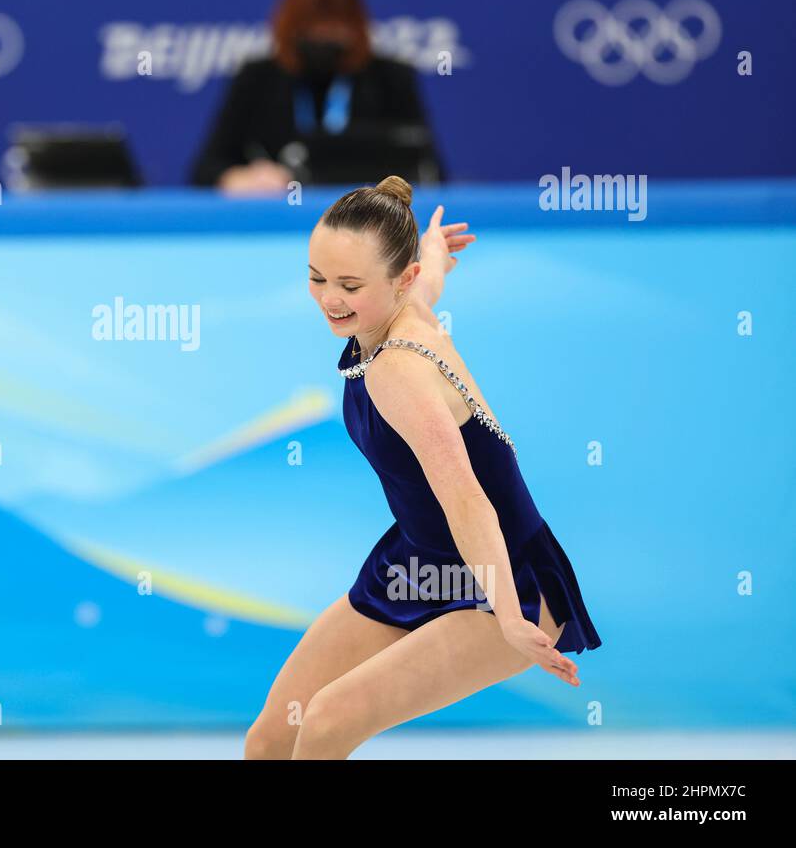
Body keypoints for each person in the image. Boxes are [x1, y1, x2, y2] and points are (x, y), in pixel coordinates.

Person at [246, 175, 602, 759]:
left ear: (398, 280)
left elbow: (466, 497)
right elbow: (428, 285)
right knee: (271, 739)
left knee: (328, 720)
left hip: (501, 578)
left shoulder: (400, 368)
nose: (330, 297)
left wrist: (511, 619)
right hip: (417, 562)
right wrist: (433, 251)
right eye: (317, 278)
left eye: (350, 284)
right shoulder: (398, 308)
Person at [188, 0, 444, 193]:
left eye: (335, 29)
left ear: (356, 27)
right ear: (290, 27)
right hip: (280, 219)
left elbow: (430, 170)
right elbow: (205, 169)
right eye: (313, 28)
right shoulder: (257, 78)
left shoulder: (391, 79)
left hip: (368, 223)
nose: (323, 39)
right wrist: (238, 177)